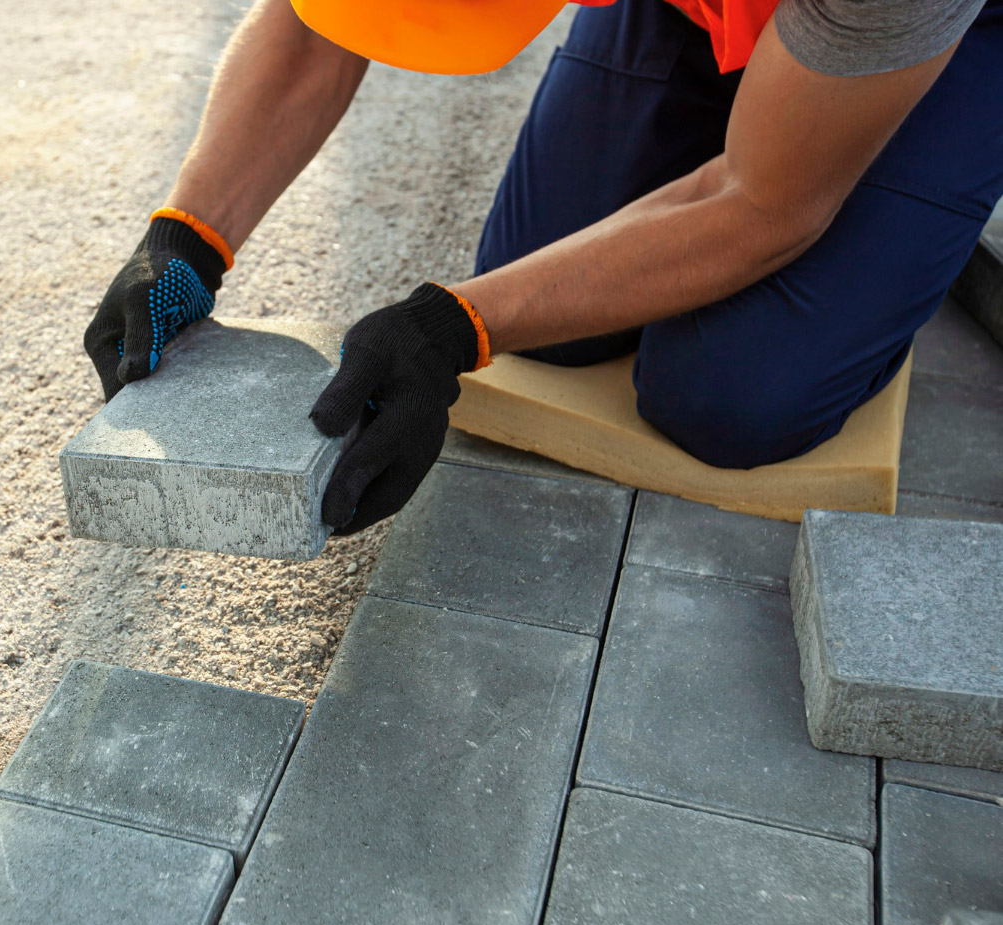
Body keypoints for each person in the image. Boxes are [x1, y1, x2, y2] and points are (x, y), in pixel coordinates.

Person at [83, 0, 1003, 536]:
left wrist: (449, 328)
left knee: (729, 398)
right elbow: (323, 23)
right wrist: (188, 237)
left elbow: (762, 203)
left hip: (928, 33)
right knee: (551, 315)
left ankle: (906, 194)